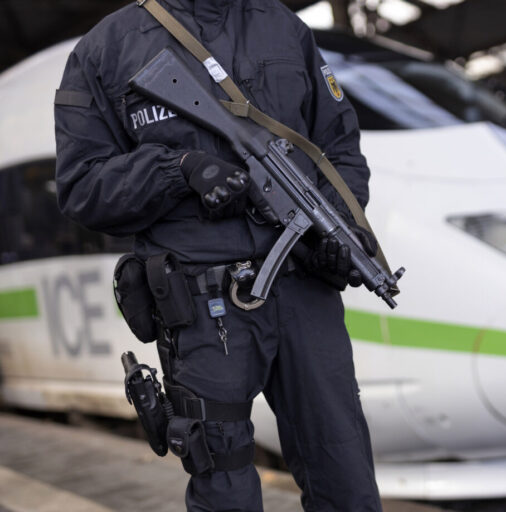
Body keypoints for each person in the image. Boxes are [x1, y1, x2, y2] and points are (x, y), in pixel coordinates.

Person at [53, 0, 383, 510]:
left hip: (304, 293)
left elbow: (338, 149)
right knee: (223, 482)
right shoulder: (105, 49)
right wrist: (178, 170)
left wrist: (335, 232)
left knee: (346, 476)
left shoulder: (285, 29)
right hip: (205, 310)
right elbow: (81, 187)